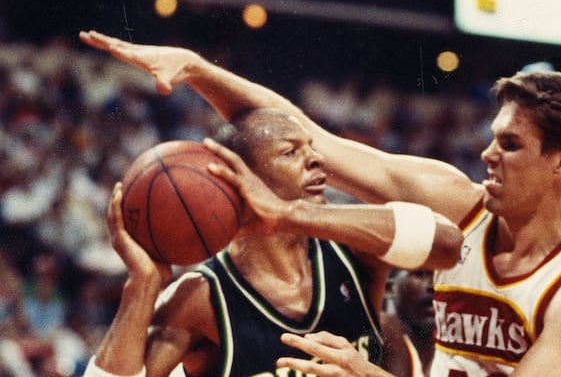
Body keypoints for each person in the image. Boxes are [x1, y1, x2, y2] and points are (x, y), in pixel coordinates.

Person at [79, 30, 561, 376]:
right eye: (493, 137)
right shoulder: (459, 203)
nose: (488, 154)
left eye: (511, 145)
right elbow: (311, 137)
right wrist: (198, 70)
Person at [82, 107, 463, 376]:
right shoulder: (198, 298)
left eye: (312, 148)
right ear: (240, 177)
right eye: (291, 152)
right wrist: (143, 285)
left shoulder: (352, 250)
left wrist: (290, 214)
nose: (317, 160)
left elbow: (449, 244)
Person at [379, 270, 436, 377]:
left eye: (437, 276)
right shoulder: (384, 329)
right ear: (389, 288)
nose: (433, 285)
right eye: (420, 274)